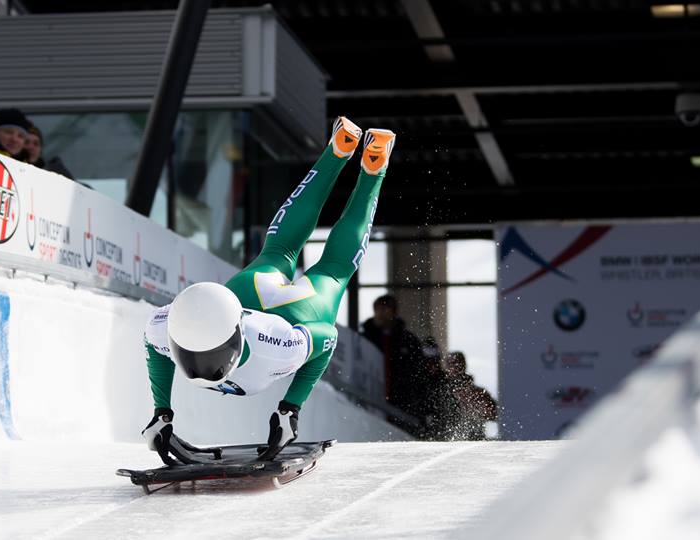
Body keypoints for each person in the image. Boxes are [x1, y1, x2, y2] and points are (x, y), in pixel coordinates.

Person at [141, 117, 395, 464]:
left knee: (332, 268)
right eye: (188, 355)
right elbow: (154, 343)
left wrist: (291, 407)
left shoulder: (279, 343)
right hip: (250, 297)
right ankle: (344, 151)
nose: (201, 368)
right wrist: (162, 412)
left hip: (293, 313)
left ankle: (369, 166)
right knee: (281, 252)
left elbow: (328, 337)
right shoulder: (166, 325)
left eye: (207, 358)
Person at [441, 351, 497, 440]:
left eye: (458, 363)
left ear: (464, 365)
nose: (455, 367)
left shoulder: (477, 393)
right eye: (452, 364)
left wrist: (483, 408)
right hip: (439, 442)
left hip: (473, 443)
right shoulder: (438, 391)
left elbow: (496, 414)